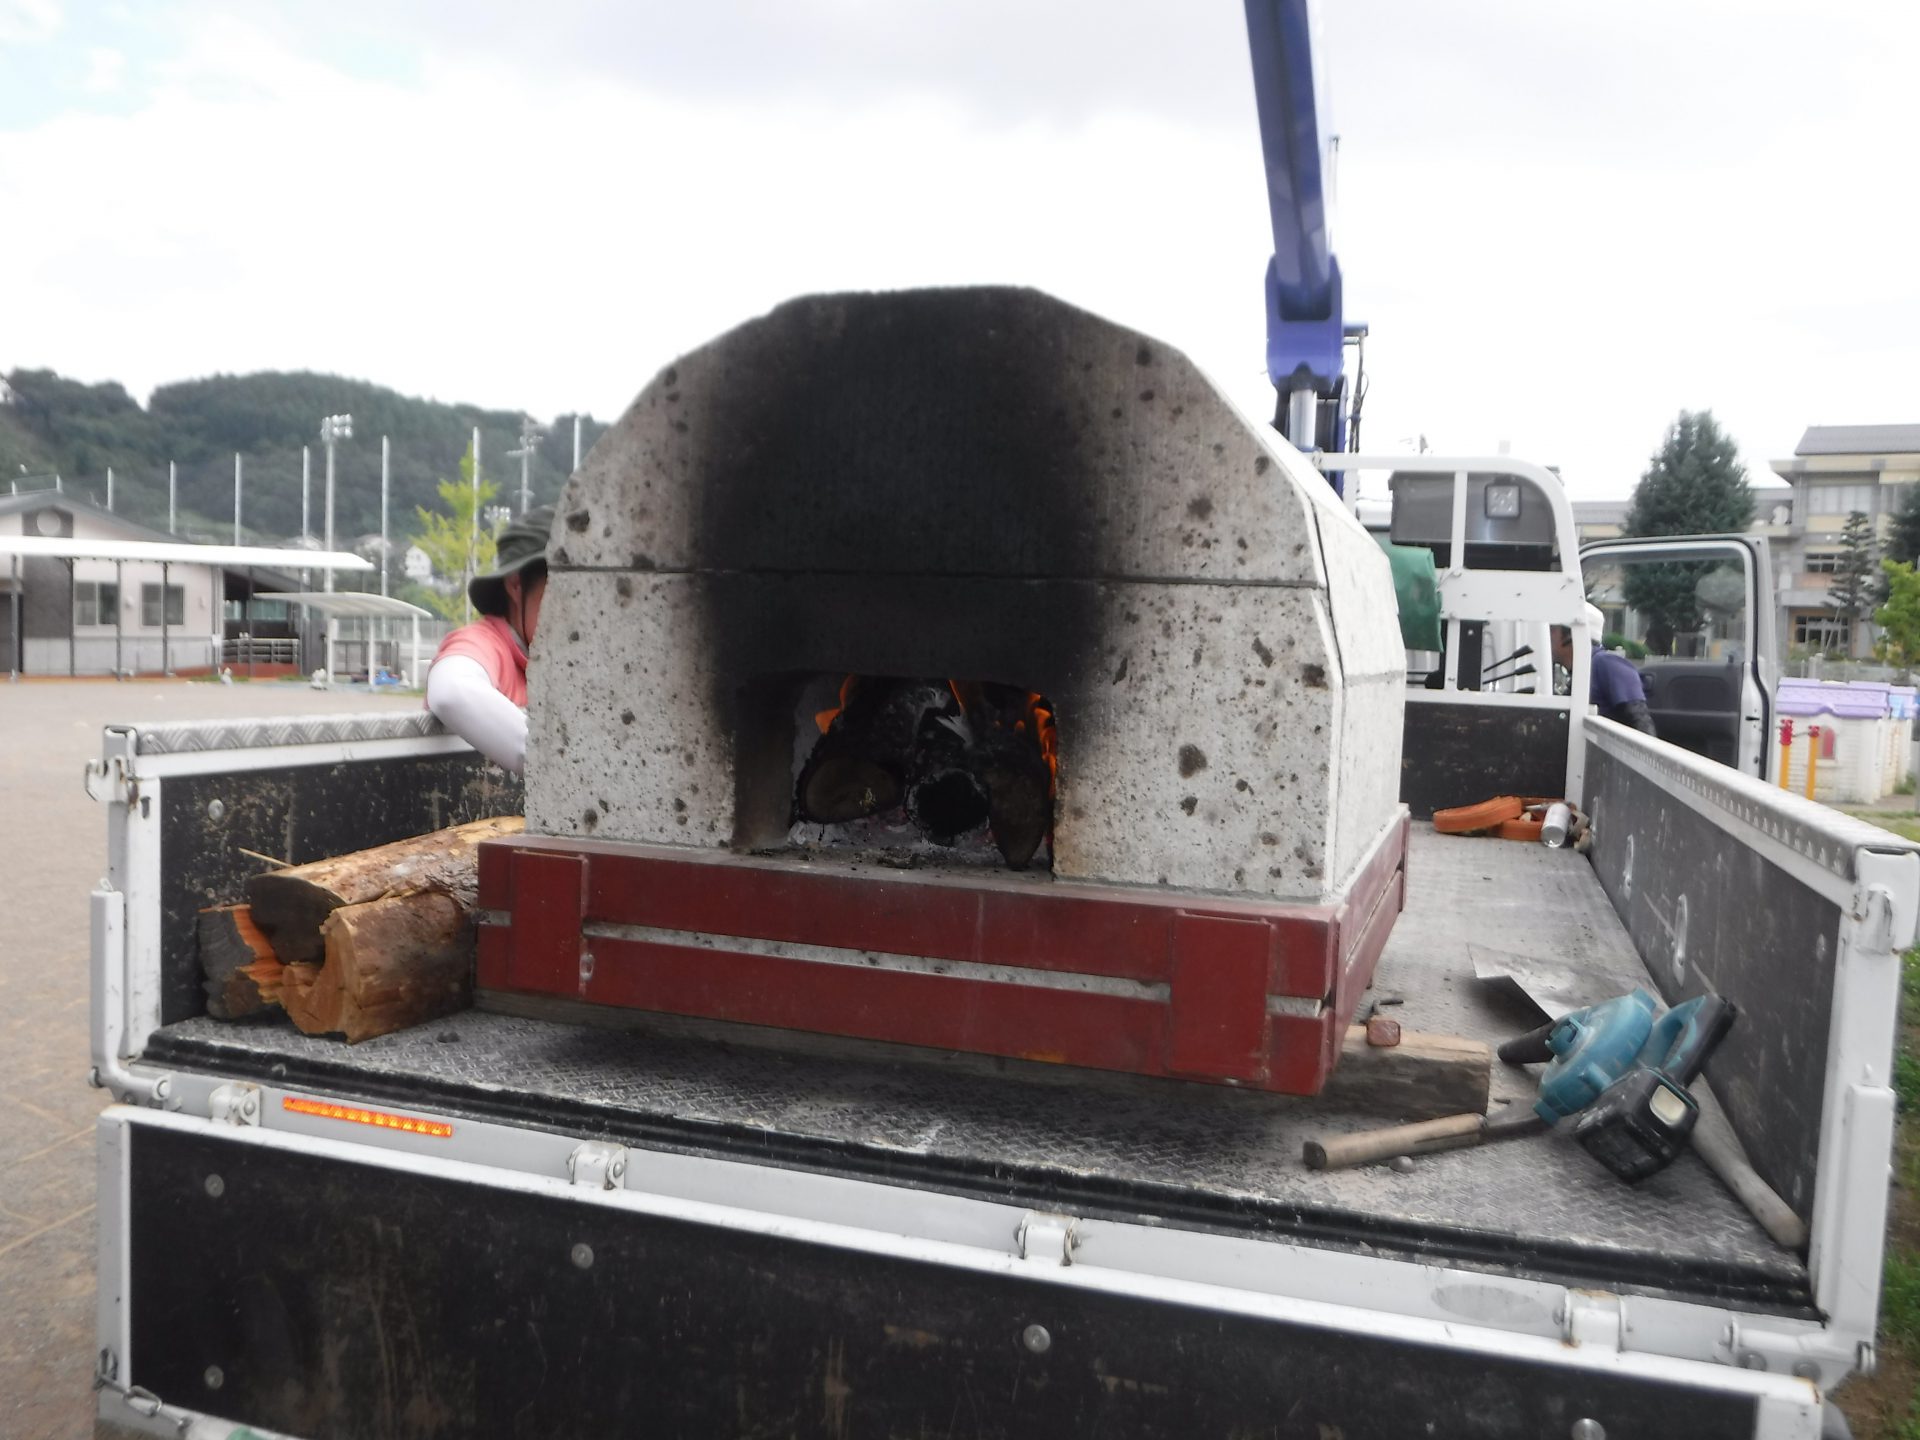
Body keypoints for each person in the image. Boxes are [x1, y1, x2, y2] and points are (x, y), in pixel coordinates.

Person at [426, 506, 553, 774]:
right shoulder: (485, 643)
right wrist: (559, 765)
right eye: (563, 589)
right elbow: (451, 690)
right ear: (516, 585)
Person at [1552, 602, 1657, 736]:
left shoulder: (1605, 663)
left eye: (1552, 630)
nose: (1548, 637)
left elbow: (1641, 720)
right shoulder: (1580, 671)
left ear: (1570, 635)